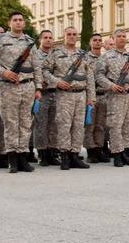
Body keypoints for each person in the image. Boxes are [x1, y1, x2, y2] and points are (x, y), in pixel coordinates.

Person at [0, 12, 42, 173]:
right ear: (9, 23)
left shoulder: (30, 41)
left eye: (20, 20)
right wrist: (3, 72)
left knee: (25, 123)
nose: (18, 23)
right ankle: (12, 159)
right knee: (10, 123)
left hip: (28, 86)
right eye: (15, 20)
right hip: (9, 86)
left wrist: (38, 88)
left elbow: (36, 66)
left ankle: (23, 156)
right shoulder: (0, 40)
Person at [42, 26, 96, 170]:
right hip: (64, 94)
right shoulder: (55, 53)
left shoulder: (83, 55)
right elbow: (45, 71)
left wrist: (91, 98)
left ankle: (74, 154)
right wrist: (56, 82)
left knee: (78, 126)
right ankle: (64, 155)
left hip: (81, 94)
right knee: (64, 125)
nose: (72, 37)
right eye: (69, 34)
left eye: (74, 34)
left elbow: (90, 77)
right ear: (64, 37)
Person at [94, 29, 129, 167]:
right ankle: (117, 153)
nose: (122, 38)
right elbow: (98, 75)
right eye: (119, 36)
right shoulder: (107, 56)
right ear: (113, 39)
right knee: (115, 125)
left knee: (128, 125)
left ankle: (126, 151)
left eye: (124, 36)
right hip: (115, 96)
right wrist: (110, 86)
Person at [31, 30, 61, 167]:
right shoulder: (35, 55)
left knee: (54, 124)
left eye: (50, 37)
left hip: (55, 92)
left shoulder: (56, 55)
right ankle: (42, 153)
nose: (48, 40)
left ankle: (52, 151)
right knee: (41, 124)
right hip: (41, 93)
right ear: (40, 40)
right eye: (45, 38)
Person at [83, 33, 109, 163]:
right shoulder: (85, 58)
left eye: (100, 40)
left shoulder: (106, 58)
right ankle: (90, 151)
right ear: (90, 43)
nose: (98, 42)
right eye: (95, 40)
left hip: (103, 95)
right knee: (90, 124)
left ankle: (99, 149)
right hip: (90, 96)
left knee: (101, 125)